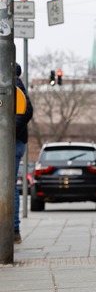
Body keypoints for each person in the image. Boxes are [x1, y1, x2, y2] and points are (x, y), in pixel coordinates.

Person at [14, 63, 33, 244]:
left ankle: (13, 229)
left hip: (13, 142)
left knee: (8, 185)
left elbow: (26, 110)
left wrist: (9, 130)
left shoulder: (14, 84)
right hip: (14, 141)